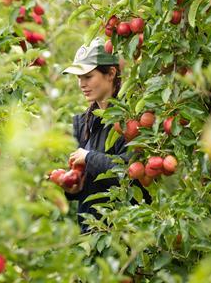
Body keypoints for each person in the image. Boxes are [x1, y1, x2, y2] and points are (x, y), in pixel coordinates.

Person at [61, 37, 149, 233]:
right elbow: (88, 182)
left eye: (88, 76)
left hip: (128, 232)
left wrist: (89, 157)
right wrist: (72, 187)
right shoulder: (84, 123)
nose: (82, 84)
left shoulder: (133, 120)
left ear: (110, 73)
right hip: (93, 234)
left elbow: (129, 172)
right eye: (79, 77)